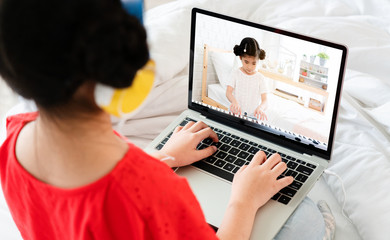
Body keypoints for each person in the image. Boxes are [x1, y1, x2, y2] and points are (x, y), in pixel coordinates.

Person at [0, 0, 334, 239]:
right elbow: (129, 198)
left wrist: (161, 158)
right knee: (305, 222)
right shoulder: (153, 192)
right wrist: (244, 201)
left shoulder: (14, 140)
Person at [226, 37, 269, 121]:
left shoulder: (260, 78)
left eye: (254, 63)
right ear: (240, 58)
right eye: (246, 62)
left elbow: (265, 100)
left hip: (252, 116)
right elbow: (228, 92)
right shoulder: (236, 73)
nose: (250, 67)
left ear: (258, 61)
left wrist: (261, 108)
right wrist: (234, 101)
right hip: (235, 113)